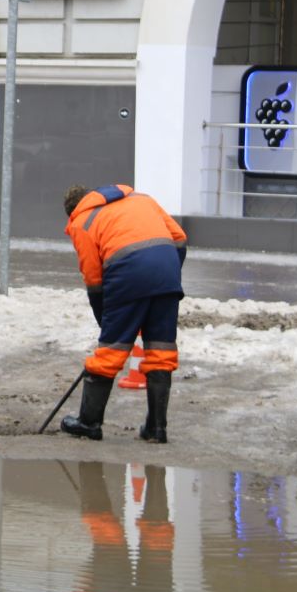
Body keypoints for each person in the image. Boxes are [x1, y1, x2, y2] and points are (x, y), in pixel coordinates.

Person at [60, 184, 186, 443]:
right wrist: (166, 274)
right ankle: (156, 428)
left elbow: (94, 280)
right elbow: (180, 237)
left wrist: (105, 322)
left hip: (127, 275)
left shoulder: (82, 222)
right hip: (167, 273)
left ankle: (89, 423)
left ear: (72, 211)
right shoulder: (141, 198)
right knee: (161, 351)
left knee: (110, 351)